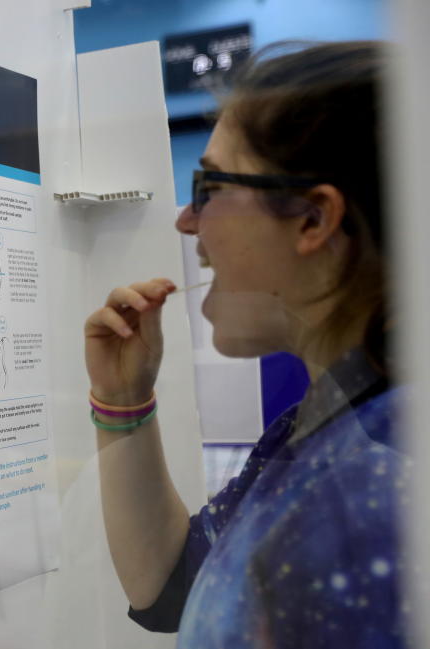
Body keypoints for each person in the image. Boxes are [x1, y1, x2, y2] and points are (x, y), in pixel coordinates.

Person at [84, 42, 411, 647]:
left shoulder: (386, 465)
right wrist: (123, 400)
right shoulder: (325, 422)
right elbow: (175, 587)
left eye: (208, 188)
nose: (186, 222)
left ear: (314, 220)